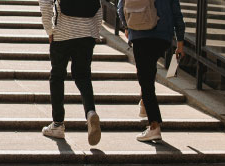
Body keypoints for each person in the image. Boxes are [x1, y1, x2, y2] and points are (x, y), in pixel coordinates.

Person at [117, 0, 185, 142]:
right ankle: (144, 102)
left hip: (140, 32)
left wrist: (126, 25)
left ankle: (154, 126)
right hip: (162, 36)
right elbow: (177, 13)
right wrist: (180, 43)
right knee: (148, 72)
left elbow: (121, 6)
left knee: (146, 80)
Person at [39, 0, 102, 145]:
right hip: (87, 33)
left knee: (57, 77)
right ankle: (90, 112)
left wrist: (49, 30)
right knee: (83, 76)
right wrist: (95, 31)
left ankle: (58, 124)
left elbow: (44, 4)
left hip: (63, 32)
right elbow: (98, 6)